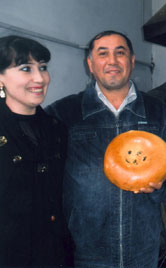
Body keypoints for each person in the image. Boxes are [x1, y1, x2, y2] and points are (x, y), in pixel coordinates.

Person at [46, 30, 166, 267]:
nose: (112, 61)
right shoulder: (64, 113)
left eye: (120, 53)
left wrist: (163, 182)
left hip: (142, 246)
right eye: (103, 54)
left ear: (131, 61)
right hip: (85, 248)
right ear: (90, 64)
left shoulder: (157, 111)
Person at [0, 35, 73, 266]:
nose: (39, 78)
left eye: (43, 67)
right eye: (25, 68)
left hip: (54, 254)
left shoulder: (57, 129)